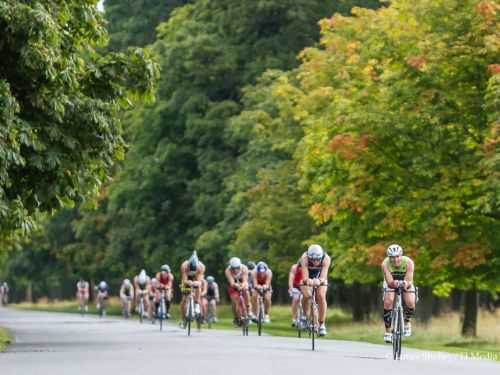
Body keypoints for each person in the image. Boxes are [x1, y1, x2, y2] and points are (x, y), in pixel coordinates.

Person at [382, 244, 416, 343]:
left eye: (397, 256)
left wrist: (405, 284)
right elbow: (389, 282)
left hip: (405, 281)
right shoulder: (385, 264)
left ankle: (407, 321)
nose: (395, 260)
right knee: (388, 301)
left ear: (401, 256)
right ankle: (388, 331)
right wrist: (394, 284)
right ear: (389, 258)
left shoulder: (409, 262)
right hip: (391, 281)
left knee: (410, 301)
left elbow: (409, 281)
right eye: (392, 257)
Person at [300, 244, 331, 336]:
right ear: (309, 257)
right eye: (312, 259)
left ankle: (322, 324)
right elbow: (305, 276)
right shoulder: (304, 258)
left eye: (317, 259)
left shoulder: (326, 259)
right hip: (308, 277)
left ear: (321, 257)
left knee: (321, 295)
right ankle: (305, 316)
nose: (315, 262)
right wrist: (307, 280)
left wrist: (319, 281)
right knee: (306, 295)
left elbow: (323, 276)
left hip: (320, 277)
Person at [180, 251, 206, 327]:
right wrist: (188, 283)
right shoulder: (184, 266)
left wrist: (195, 283)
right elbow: (184, 280)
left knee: (198, 287)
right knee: (184, 299)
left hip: (196, 278)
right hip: (187, 279)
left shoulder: (201, 267)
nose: (191, 271)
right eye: (190, 269)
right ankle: (183, 319)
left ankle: (197, 304)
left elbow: (200, 281)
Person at [225, 257, 249, 326]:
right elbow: (232, 283)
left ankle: (248, 308)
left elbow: (245, 281)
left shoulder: (244, 268)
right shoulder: (227, 270)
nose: (235, 270)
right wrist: (237, 286)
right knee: (234, 300)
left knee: (246, 292)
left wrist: (242, 286)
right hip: (233, 285)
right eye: (233, 268)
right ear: (230, 267)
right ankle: (236, 317)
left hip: (242, 283)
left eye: (237, 268)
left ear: (240, 266)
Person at [288, 260, 305, 327]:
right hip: (296, 286)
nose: (301, 268)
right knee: (296, 299)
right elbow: (291, 279)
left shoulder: (307, 269)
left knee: (306, 300)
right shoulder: (294, 268)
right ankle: (294, 319)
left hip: (304, 286)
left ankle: (304, 317)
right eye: (300, 267)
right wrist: (291, 288)